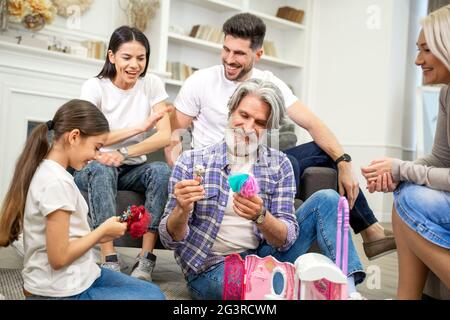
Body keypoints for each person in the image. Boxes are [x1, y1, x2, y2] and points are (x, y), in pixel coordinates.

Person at [165, 12, 394, 260]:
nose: (229, 59)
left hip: (257, 160)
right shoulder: (201, 81)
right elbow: (173, 134)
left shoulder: (269, 83)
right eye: (226, 50)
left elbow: (314, 125)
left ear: (258, 54)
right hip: (217, 165)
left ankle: (369, 230)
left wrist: (344, 162)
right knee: (288, 163)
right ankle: (277, 240)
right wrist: (184, 170)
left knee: (322, 152)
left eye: (239, 53)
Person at [159, 79, 366, 300]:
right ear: (231, 111)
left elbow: (286, 238)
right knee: (257, 291)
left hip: (264, 257)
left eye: (259, 122)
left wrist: (261, 217)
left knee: (328, 199)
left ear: (268, 128)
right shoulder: (191, 162)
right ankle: (290, 285)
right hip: (212, 266)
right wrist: (181, 210)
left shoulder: (280, 164)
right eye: (244, 115)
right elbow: (170, 238)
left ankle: (349, 292)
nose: (248, 128)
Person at [0, 100, 165, 300]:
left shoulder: (54, 173)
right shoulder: (55, 183)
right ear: (75, 136)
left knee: (152, 293)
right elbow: (58, 259)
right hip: (61, 290)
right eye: (96, 148)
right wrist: (101, 232)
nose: (96, 156)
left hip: (83, 274)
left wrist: (102, 232)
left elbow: (71, 236)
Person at [361, 5, 450, 299]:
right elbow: (439, 159)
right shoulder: (447, 92)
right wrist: (395, 172)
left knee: (411, 196)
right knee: (407, 191)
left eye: (426, 50)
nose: (417, 60)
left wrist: (401, 169)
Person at [74, 25, 172, 282]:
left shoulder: (151, 84)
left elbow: (163, 135)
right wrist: (137, 130)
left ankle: (146, 258)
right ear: (111, 56)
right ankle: (109, 258)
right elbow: (89, 138)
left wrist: (123, 152)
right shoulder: (94, 87)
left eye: (141, 58)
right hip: (94, 163)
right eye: (127, 57)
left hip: (130, 166)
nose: (134, 65)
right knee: (103, 169)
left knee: (161, 170)